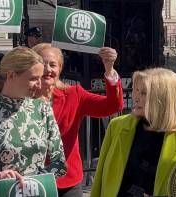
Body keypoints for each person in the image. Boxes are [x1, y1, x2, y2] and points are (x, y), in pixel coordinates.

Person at [0, 47, 67, 195]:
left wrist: (32, 181)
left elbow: (60, 164)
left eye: (40, 77)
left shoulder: (43, 110)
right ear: (11, 75)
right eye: (33, 78)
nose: (39, 84)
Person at [91, 68, 176, 197]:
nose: (136, 97)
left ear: (164, 98)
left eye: (144, 93)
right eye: (136, 90)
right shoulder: (117, 125)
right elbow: (100, 178)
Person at [32, 43, 123, 196]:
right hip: (33, 180)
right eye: (42, 64)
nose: (48, 70)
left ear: (60, 68)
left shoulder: (74, 94)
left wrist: (109, 69)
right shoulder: (21, 97)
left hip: (67, 180)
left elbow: (112, 106)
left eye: (53, 65)